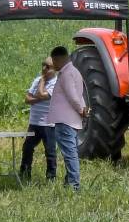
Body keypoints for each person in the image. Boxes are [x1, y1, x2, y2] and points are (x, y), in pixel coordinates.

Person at [45, 45, 91, 191]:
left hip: (65, 121)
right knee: (71, 152)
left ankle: (73, 185)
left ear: (58, 59)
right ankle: (69, 182)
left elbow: (73, 97)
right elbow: (79, 95)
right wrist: (83, 111)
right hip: (71, 120)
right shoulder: (75, 72)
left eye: (53, 61)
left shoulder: (66, 74)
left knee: (70, 154)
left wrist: (81, 110)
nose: (53, 64)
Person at [20, 57, 59, 181]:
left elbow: (43, 95)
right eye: (43, 65)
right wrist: (38, 98)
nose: (44, 69)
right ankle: (25, 174)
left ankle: (51, 178)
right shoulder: (36, 80)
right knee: (27, 148)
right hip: (34, 122)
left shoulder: (56, 83)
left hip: (48, 124)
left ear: (55, 69)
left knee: (50, 151)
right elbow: (27, 99)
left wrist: (42, 81)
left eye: (48, 67)